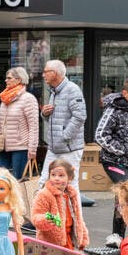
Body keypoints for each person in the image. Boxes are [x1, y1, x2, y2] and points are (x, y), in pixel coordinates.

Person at [96, 78, 128, 248]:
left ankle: (126, 235)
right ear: (125, 93)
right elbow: (100, 135)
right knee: (125, 193)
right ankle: (116, 236)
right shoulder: (114, 109)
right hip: (114, 161)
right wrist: (122, 151)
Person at [40, 60, 88, 204]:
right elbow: (55, 119)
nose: (43, 75)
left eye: (45, 72)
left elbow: (80, 116)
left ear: (54, 74)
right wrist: (44, 114)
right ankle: (41, 216)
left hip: (69, 148)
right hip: (54, 147)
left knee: (70, 185)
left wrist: (64, 137)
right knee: (44, 181)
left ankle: (75, 222)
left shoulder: (72, 90)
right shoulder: (54, 92)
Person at [0, 67, 39, 180]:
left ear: (19, 80)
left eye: (9, 78)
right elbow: (0, 125)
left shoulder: (28, 99)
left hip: (21, 148)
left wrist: (32, 149)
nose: (6, 80)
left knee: (17, 181)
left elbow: (34, 126)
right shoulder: (5, 99)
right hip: (4, 147)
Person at [31, 158, 89, 250]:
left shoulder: (71, 194)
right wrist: (46, 219)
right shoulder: (44, 194)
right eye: (53, 175)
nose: (56, 178)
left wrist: (83, 238)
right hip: (50, 244)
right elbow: (35, 217)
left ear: (69, 178)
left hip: (69, 241)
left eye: (61, 175)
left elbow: (78, 219)